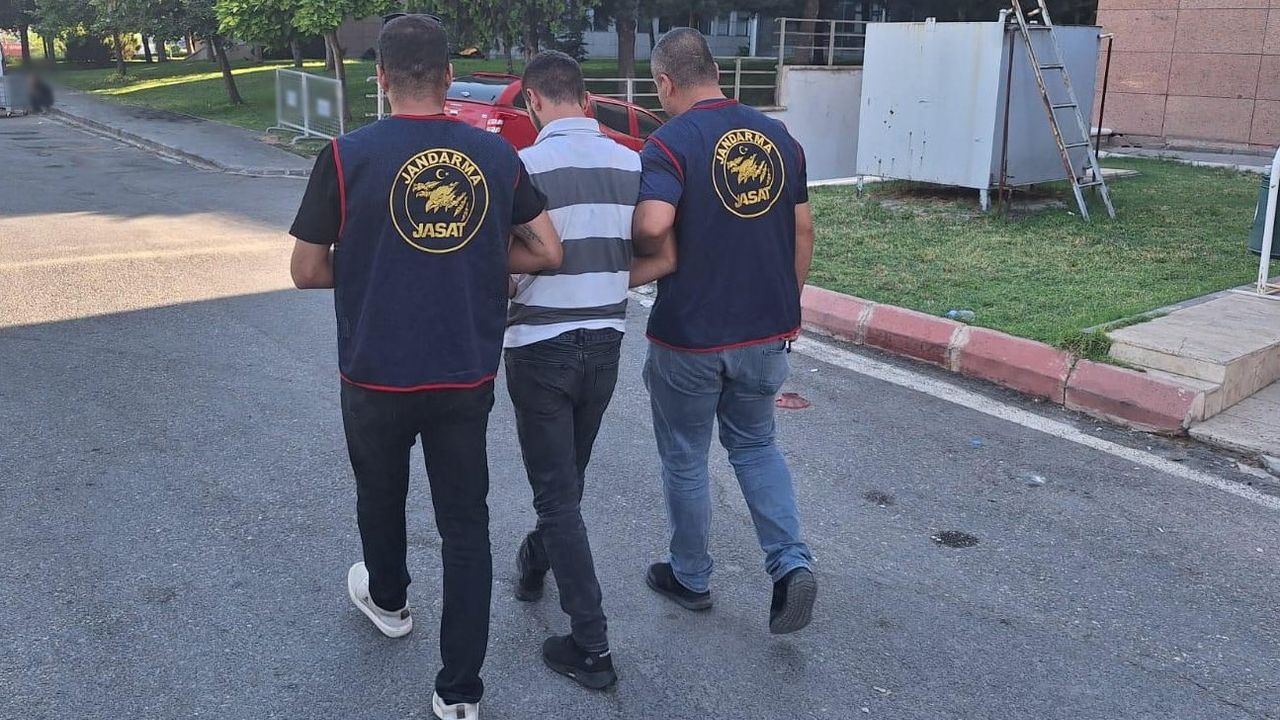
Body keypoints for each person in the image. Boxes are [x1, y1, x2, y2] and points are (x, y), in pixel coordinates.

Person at [287, 16, 561, 720]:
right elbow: (547, 250)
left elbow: (306, 269)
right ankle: (460, 693)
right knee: (465, 525)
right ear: (448, 76)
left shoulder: (346, 156)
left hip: (375, 372)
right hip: (463, 372)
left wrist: (375, 265)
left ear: (381, 77)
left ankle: (388, 600)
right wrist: (476, 259)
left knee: (380, 494)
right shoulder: (495, 155)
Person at [632, 28, 818, 635]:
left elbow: (653, 225)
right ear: (715, 71)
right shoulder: (779, 138)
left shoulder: (670, 143)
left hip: (690, 334)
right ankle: (790, 564)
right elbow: (803, 231)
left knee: (686, 456)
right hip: (765, 330)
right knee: (757, 446)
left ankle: (690, 576)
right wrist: (786, 307)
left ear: (666, 82)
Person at [504, 50, 675, 691]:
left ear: (532, 101)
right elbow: (663, 256)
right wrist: (601, 283)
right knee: (566, 485)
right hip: (604, 343)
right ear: (585, 98)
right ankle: (534, 559)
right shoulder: (633, 164)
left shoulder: (522, 167)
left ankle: (592, 644)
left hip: (538, 346)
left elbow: (503, 266)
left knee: (557, 495)